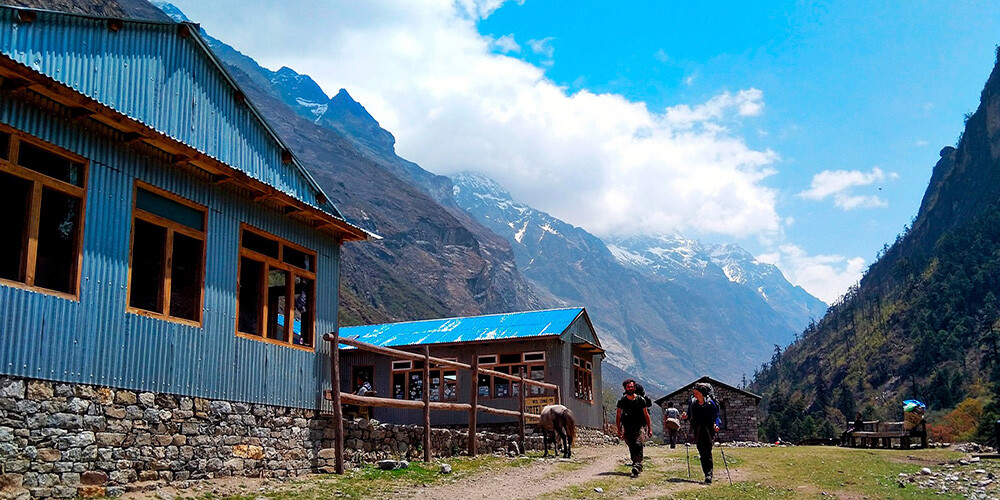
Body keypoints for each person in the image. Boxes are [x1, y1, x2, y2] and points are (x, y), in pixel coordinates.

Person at [683, 382, 719, 484]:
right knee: (701, 450)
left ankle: (708, 474)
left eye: (696, 393)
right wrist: (685, 417)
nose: (695, 395)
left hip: (708, 430)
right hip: (697, 430)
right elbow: (689, 415)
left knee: (707, 450)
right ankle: (707, 473)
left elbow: (716, 415)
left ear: (702, 394)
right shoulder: (693, 403)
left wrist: (716, 424)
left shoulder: (710, 403)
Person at [616, 379, 653, 478]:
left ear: (635, 387)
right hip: (627, 426)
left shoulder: (641, 400)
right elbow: (618, 416)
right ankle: (636, 463)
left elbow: (646, 415)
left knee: (638, 443)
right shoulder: (622, 401)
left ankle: (637, 464)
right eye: (628, 387)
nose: (630, 388)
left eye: (632, 387)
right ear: (625, 388)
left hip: (639, 425)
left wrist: (649, 428)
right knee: (631, 444)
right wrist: (619, 430)